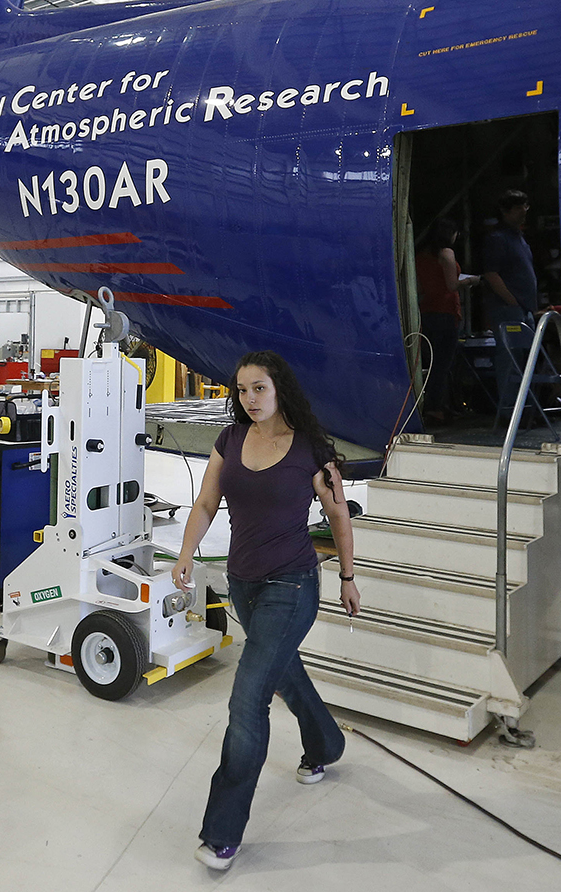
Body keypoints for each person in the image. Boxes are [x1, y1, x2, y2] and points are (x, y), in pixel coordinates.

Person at [173, 350, 359, 872]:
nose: (249, 399)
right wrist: (186, 553)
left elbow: (339, 517)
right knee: (282, 672)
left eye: (259, 389)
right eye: (241, 390)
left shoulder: (310, 450)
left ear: (279, 389)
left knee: (249, 696)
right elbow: (207, 502)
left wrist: (347, 577)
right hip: (244, 584)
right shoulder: (230, 440)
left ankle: (222, 833)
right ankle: (326, 741)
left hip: (293, 584)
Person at [414, 219, 479, 427]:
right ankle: (436, 408)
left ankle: (434, 406)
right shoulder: (446, 253)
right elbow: (451, 285)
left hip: (426, 312)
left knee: (432, 363)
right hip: (445, 311)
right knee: (443, 364)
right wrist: (470, 281)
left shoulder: (420, 255)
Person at [481, 189, 539, 415]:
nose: (524, 211)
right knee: (510, 361)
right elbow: (491, 274)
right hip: (509, 310)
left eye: (525, 206)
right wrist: (512, 301)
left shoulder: (519, 238)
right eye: (518, 207)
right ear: (505, 211)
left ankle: (525, 410)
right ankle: (509, 412)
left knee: (524, 360)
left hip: (523, 309)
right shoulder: (497, 239)